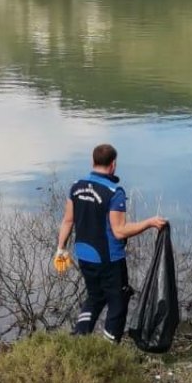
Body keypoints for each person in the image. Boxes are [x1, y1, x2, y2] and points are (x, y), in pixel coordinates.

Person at [55, 144, 166, 343]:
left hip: (84, 255)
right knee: (118, 301)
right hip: (109, 259)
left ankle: (79, 337)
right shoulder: (114, 192)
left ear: (92, 161)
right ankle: (108, 347)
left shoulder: (76, 187)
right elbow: (119, 230)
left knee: (95, 297)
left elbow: (67, 221)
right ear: (113, 165)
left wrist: (60, 249)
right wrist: (149, 223)